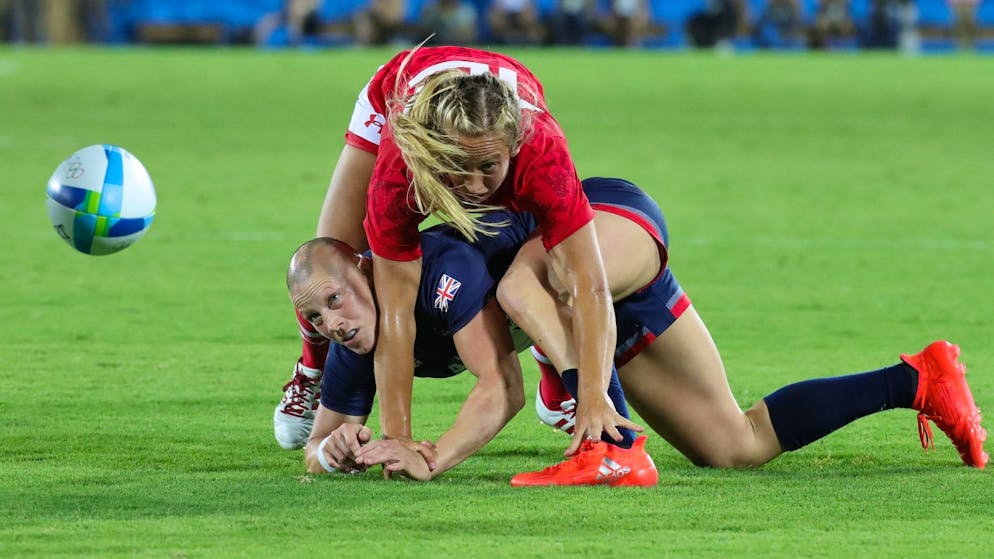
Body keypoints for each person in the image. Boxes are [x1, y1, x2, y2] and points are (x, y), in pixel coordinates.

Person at [499, 179, 988, 486]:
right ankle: (917, 380)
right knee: (732, 446)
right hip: (565, 261)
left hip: (602, 224)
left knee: (558, 285)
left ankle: (611, 451)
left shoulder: (470, 121)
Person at [274, 44, 634, 460]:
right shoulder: (401, 171)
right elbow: (396, 312)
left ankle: (555, 383)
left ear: (515, 145)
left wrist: (592, 395)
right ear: (433, 153)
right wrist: (398, 438)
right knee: (331, 261)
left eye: (488, 168)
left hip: (491, 128)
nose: (477, 189)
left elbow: (589, 286)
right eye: (459, 167)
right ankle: (310, 370)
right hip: (396, 94)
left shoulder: (542, 156)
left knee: (544, 265)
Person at [288, 186, 655, 483]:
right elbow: (315, 445)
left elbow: (504, 388)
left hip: (603, 220)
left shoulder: (441, 271)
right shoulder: (353, 335)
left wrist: (429, 460)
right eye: (314, 317)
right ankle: (552, 361)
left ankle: (614, 448)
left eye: (334, 298)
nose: (332, 323)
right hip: (604, 293)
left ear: (366, 268)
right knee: (713, 448)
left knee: (522, 288)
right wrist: (331, 451)